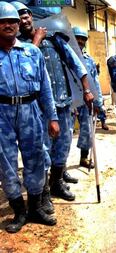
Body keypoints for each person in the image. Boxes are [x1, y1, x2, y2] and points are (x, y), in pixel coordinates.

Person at [16, 2, 94, 202]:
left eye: (26, 16)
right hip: (37, 108)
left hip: (62, 102)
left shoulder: (53, 38)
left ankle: (57, 183)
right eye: (18, 18)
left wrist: (87, 90)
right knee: (42, 149)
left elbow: (75, 63)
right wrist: (35, 40)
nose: (23, 21)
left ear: (31, 17)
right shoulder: (17, 46)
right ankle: (43, 192)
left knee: (63, 145)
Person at [0, 1, 59, 233]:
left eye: (12, 21)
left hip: (30, 110)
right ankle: (19, 211)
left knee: (35, 159)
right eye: (3, 21)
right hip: (1, 114)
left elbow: (45, 88)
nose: (8, 25)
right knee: (6, 164)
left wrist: (52, 118)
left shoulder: (32, 51)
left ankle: (35, 208)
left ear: (18, 24)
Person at [72, 26, 104, 169]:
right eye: (77, 38)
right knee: (63, 134)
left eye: (83, 39)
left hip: (86, 99)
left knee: (87, 129)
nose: (80, 41)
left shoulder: (89, 60)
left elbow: (95, 81)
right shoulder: (62, 57)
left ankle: (83, 158)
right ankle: (58, 169)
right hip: (68, 100)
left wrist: (98, 101)